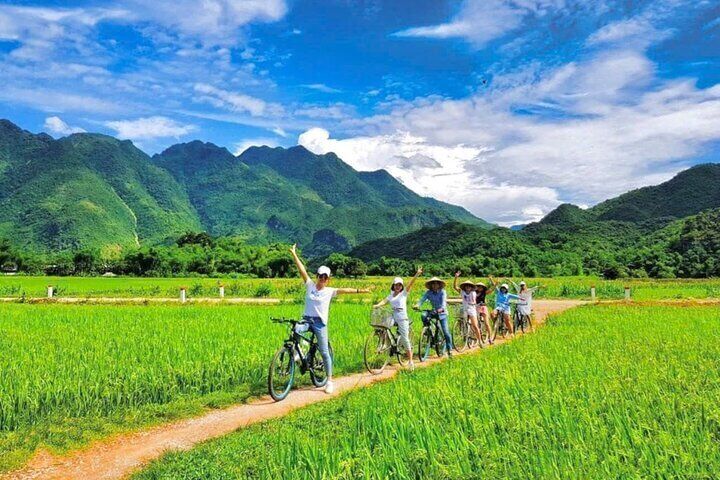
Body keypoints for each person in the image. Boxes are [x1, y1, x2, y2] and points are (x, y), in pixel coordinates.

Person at [290, 244, 369, 394]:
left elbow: (345, 290)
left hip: (320, 324)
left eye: (325, 277)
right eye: (321, 276)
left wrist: (361, 290)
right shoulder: (310, 285)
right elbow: (302, 270)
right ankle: (297, 351)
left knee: (325, 352)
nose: (323, 279)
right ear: (317, 276)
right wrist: (294, 254)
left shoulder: (330, 291)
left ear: (329, 279)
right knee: (295, 329)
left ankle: (329, 380)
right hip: (307, 319)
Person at [372, 266, 423, 370]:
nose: (398, 286)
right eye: (396, 285)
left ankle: (410, 361)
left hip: (402, 317)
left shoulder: (403, 294)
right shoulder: (391, 295)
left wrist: (417, 274)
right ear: (393, 285)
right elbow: (384, 301)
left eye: (400, 285)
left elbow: (410, 284)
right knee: (383, 326)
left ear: (402, 286)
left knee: (405, 338)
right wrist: (377, 305)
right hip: (393, 316)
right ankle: (384, 345)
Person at [414, 276, 453, 356]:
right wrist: (417, 305)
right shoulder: (428, 292)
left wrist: (440, 309)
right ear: (431, 285)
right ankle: (427, 331)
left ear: (439, 285)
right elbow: (422, 300)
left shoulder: (443, 292)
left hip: (442, 313)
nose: (435, 285)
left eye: (436, 284)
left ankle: (450, 349)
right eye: (433, 284)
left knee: (446, 332)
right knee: (423, 315)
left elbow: (443, 304)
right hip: (434, 311)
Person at [453, 271, 484, 348]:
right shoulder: (462, 291)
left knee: (475, 325)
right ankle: (463, 332)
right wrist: (456, 277)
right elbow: (455, 287)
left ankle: (480, 341)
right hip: (464, 308)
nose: (467, 287)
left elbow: (474, 301)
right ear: (464, 287)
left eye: (469, 286)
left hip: (471, 308)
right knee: (461, 320)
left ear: (471, 287)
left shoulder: (473, 293)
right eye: (466, 286)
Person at [489, 276, 519, 342]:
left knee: (507, 320)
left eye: (504, 288)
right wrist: (491, 279)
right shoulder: (498, 292)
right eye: (502, 288)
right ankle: (496, 323)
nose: (503, 289)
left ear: (506, 289)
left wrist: (522, 298)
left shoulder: (508, 294)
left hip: (506, 307)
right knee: (492, 314)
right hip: (498, 307)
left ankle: (511, 334)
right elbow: (494, 285)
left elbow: (516, 296)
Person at [475, 280, 495, 344]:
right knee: (475, 323)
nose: (480, 288)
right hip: (476, 307)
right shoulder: (474, 292)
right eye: (478, 286)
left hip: (483, 307)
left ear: (483, 288)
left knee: (486, 323)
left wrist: (495, 284)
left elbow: (491, 290)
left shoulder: (484, 292)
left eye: (481, 287)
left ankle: (490, 338)